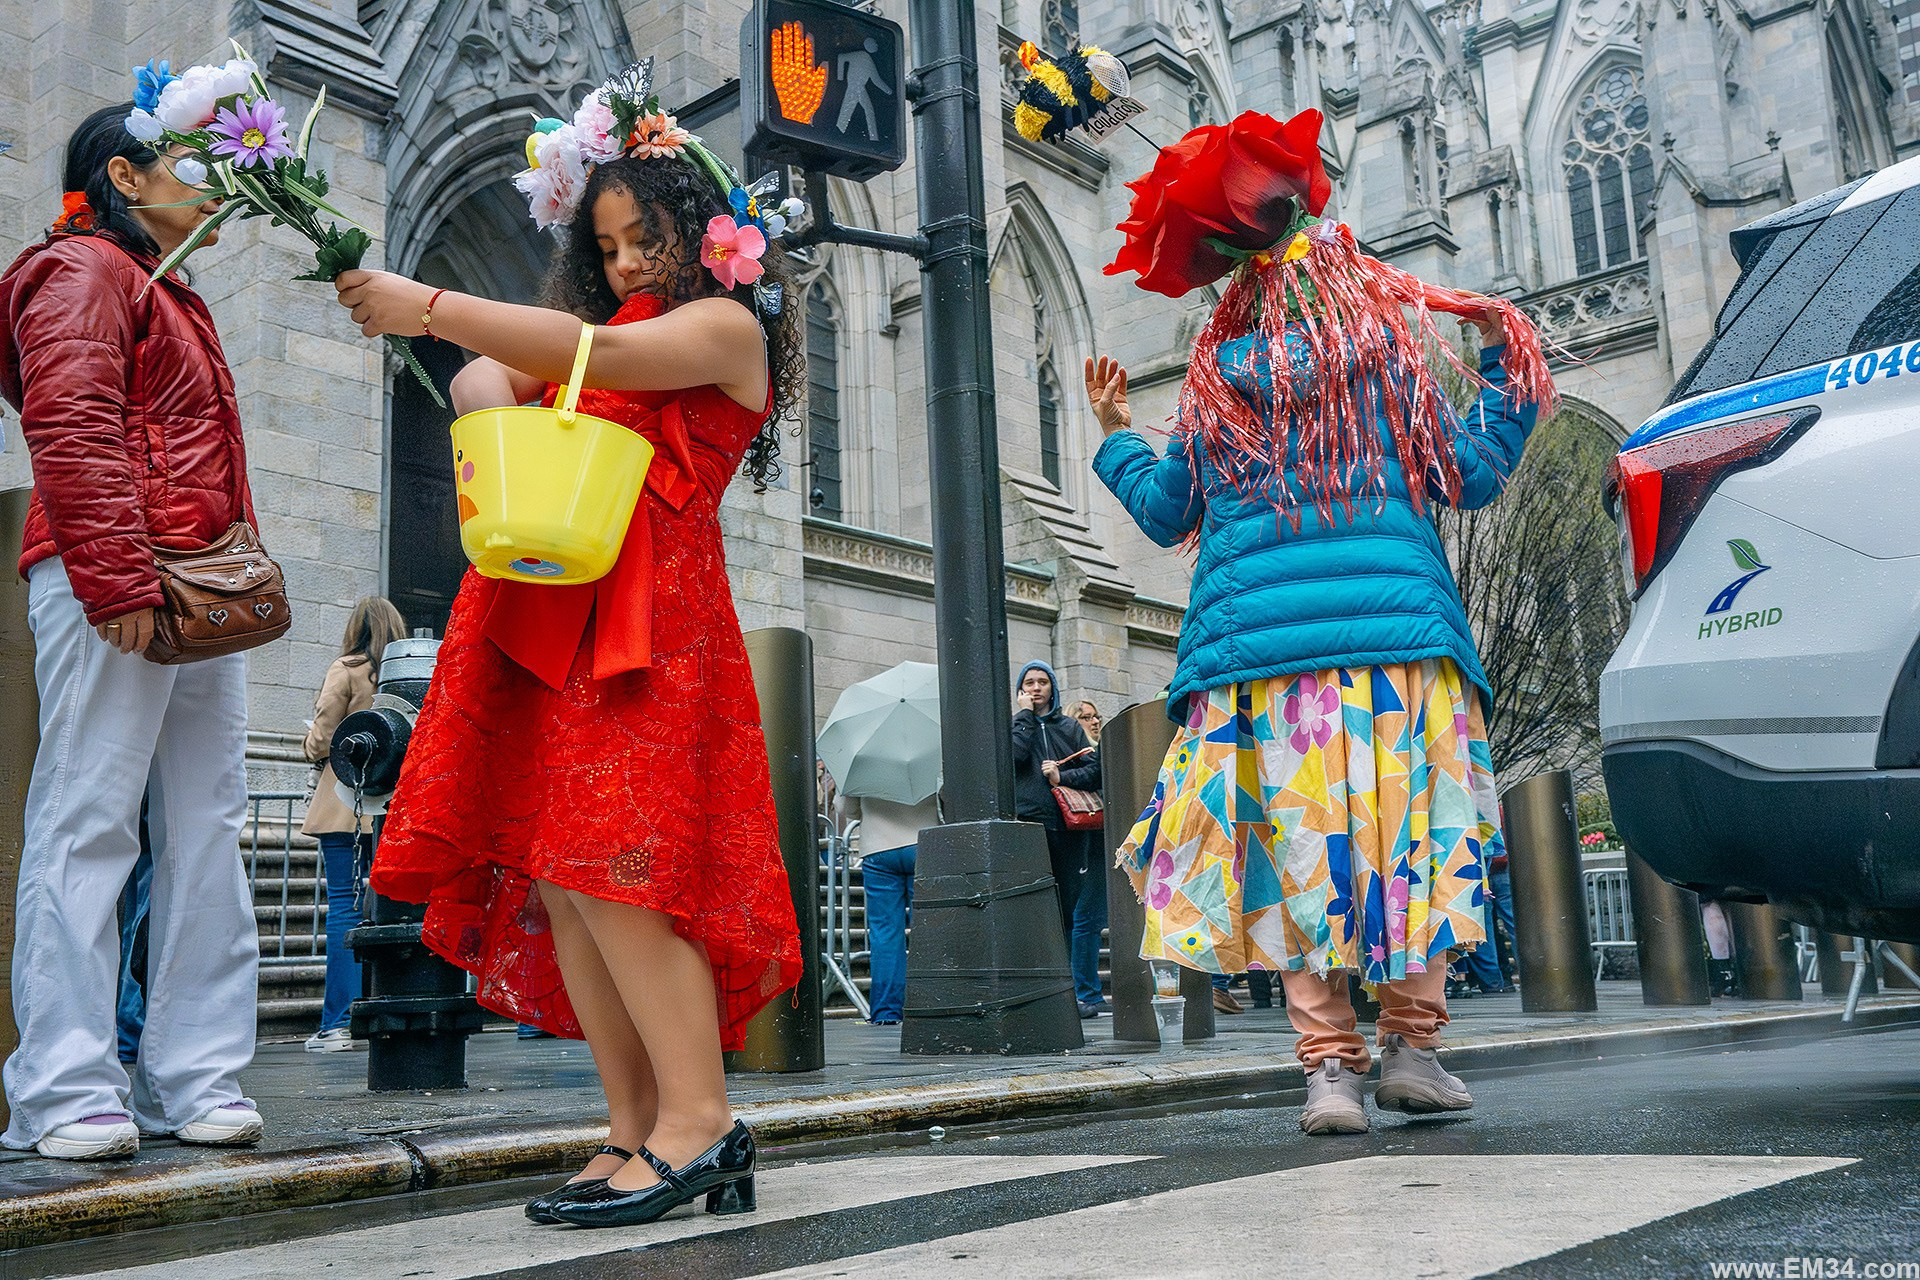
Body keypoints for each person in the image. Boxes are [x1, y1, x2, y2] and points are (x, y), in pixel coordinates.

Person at [332, 62, 803, 1228]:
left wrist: (430, 306)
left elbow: (588, 357)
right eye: (609, 247)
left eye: (648, 238)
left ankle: (701, 1118)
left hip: (656, 629)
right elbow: (494, 377)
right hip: (564, 617)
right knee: (565, 876)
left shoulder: (723, 327)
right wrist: (496, 398)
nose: (629, 262)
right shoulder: (600, 339)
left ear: (705, 233)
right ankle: (636, 1124)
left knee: (621, 876)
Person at [1093, 108, 1555, 1136]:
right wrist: (1501, 370)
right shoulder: (1385, 354)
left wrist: (1117, 434)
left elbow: (1167, 511)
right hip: (1398, 642)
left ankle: (1329, 1070)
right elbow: (1472, 474)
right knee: (1409, 847)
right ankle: (1413, 1051)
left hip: (1255, 656)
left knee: (1300, 853)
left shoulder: (1216, 377)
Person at [1, 105, 267, 1162]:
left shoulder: (166, 285)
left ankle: (194, 1073)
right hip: (114, 574)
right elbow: (69, 423)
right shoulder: (79, 268)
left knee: (208, 823)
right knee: (88, 816)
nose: (216, 185)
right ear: (125, 174)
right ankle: (63, 1085)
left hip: (194, 581)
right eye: (193, 163)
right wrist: (116, 580)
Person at [300, 597, 407, 1052]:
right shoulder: (405, 675)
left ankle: (338, 1023)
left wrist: (309, 745)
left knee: (344, 905)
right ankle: (381, 1010)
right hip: (392, 805)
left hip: (345, 802)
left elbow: (324, 735)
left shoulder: (346, 669)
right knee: (386, 907)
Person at [1011, 661, 1102, 1015]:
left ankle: (1064, 994)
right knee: (1034, 911)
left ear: (1053, 687)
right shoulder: (1016, 726)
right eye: (1029, 683)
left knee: (1065, 910)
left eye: (1042, 682)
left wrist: (1061, 776)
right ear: (1021, 690)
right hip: (1030, 827)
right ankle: (1038, 992)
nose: (1036, 688)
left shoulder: (1069, 727)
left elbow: (1095, 771)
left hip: (1069, 830)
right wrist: (1025, 716)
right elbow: (1015, 757)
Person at [845, 791, 941, 1026]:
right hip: (925, 843)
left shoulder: (859, 766)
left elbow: (846, 809)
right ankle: (930, 1004)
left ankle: (886, 1012)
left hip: (877, 848)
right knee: (928, 926)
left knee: (884, 933)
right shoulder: (929, 764)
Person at [1067, 701, 1110, 1016]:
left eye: (1096, 716)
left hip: (1097, 839)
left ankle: (1087, 991)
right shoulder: (1078, 755)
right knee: (1086, 918)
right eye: (1086, 717)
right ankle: (1086, 992)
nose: (1094, 721)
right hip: (1084, 840)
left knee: (1090, 919)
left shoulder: (1095, 751)